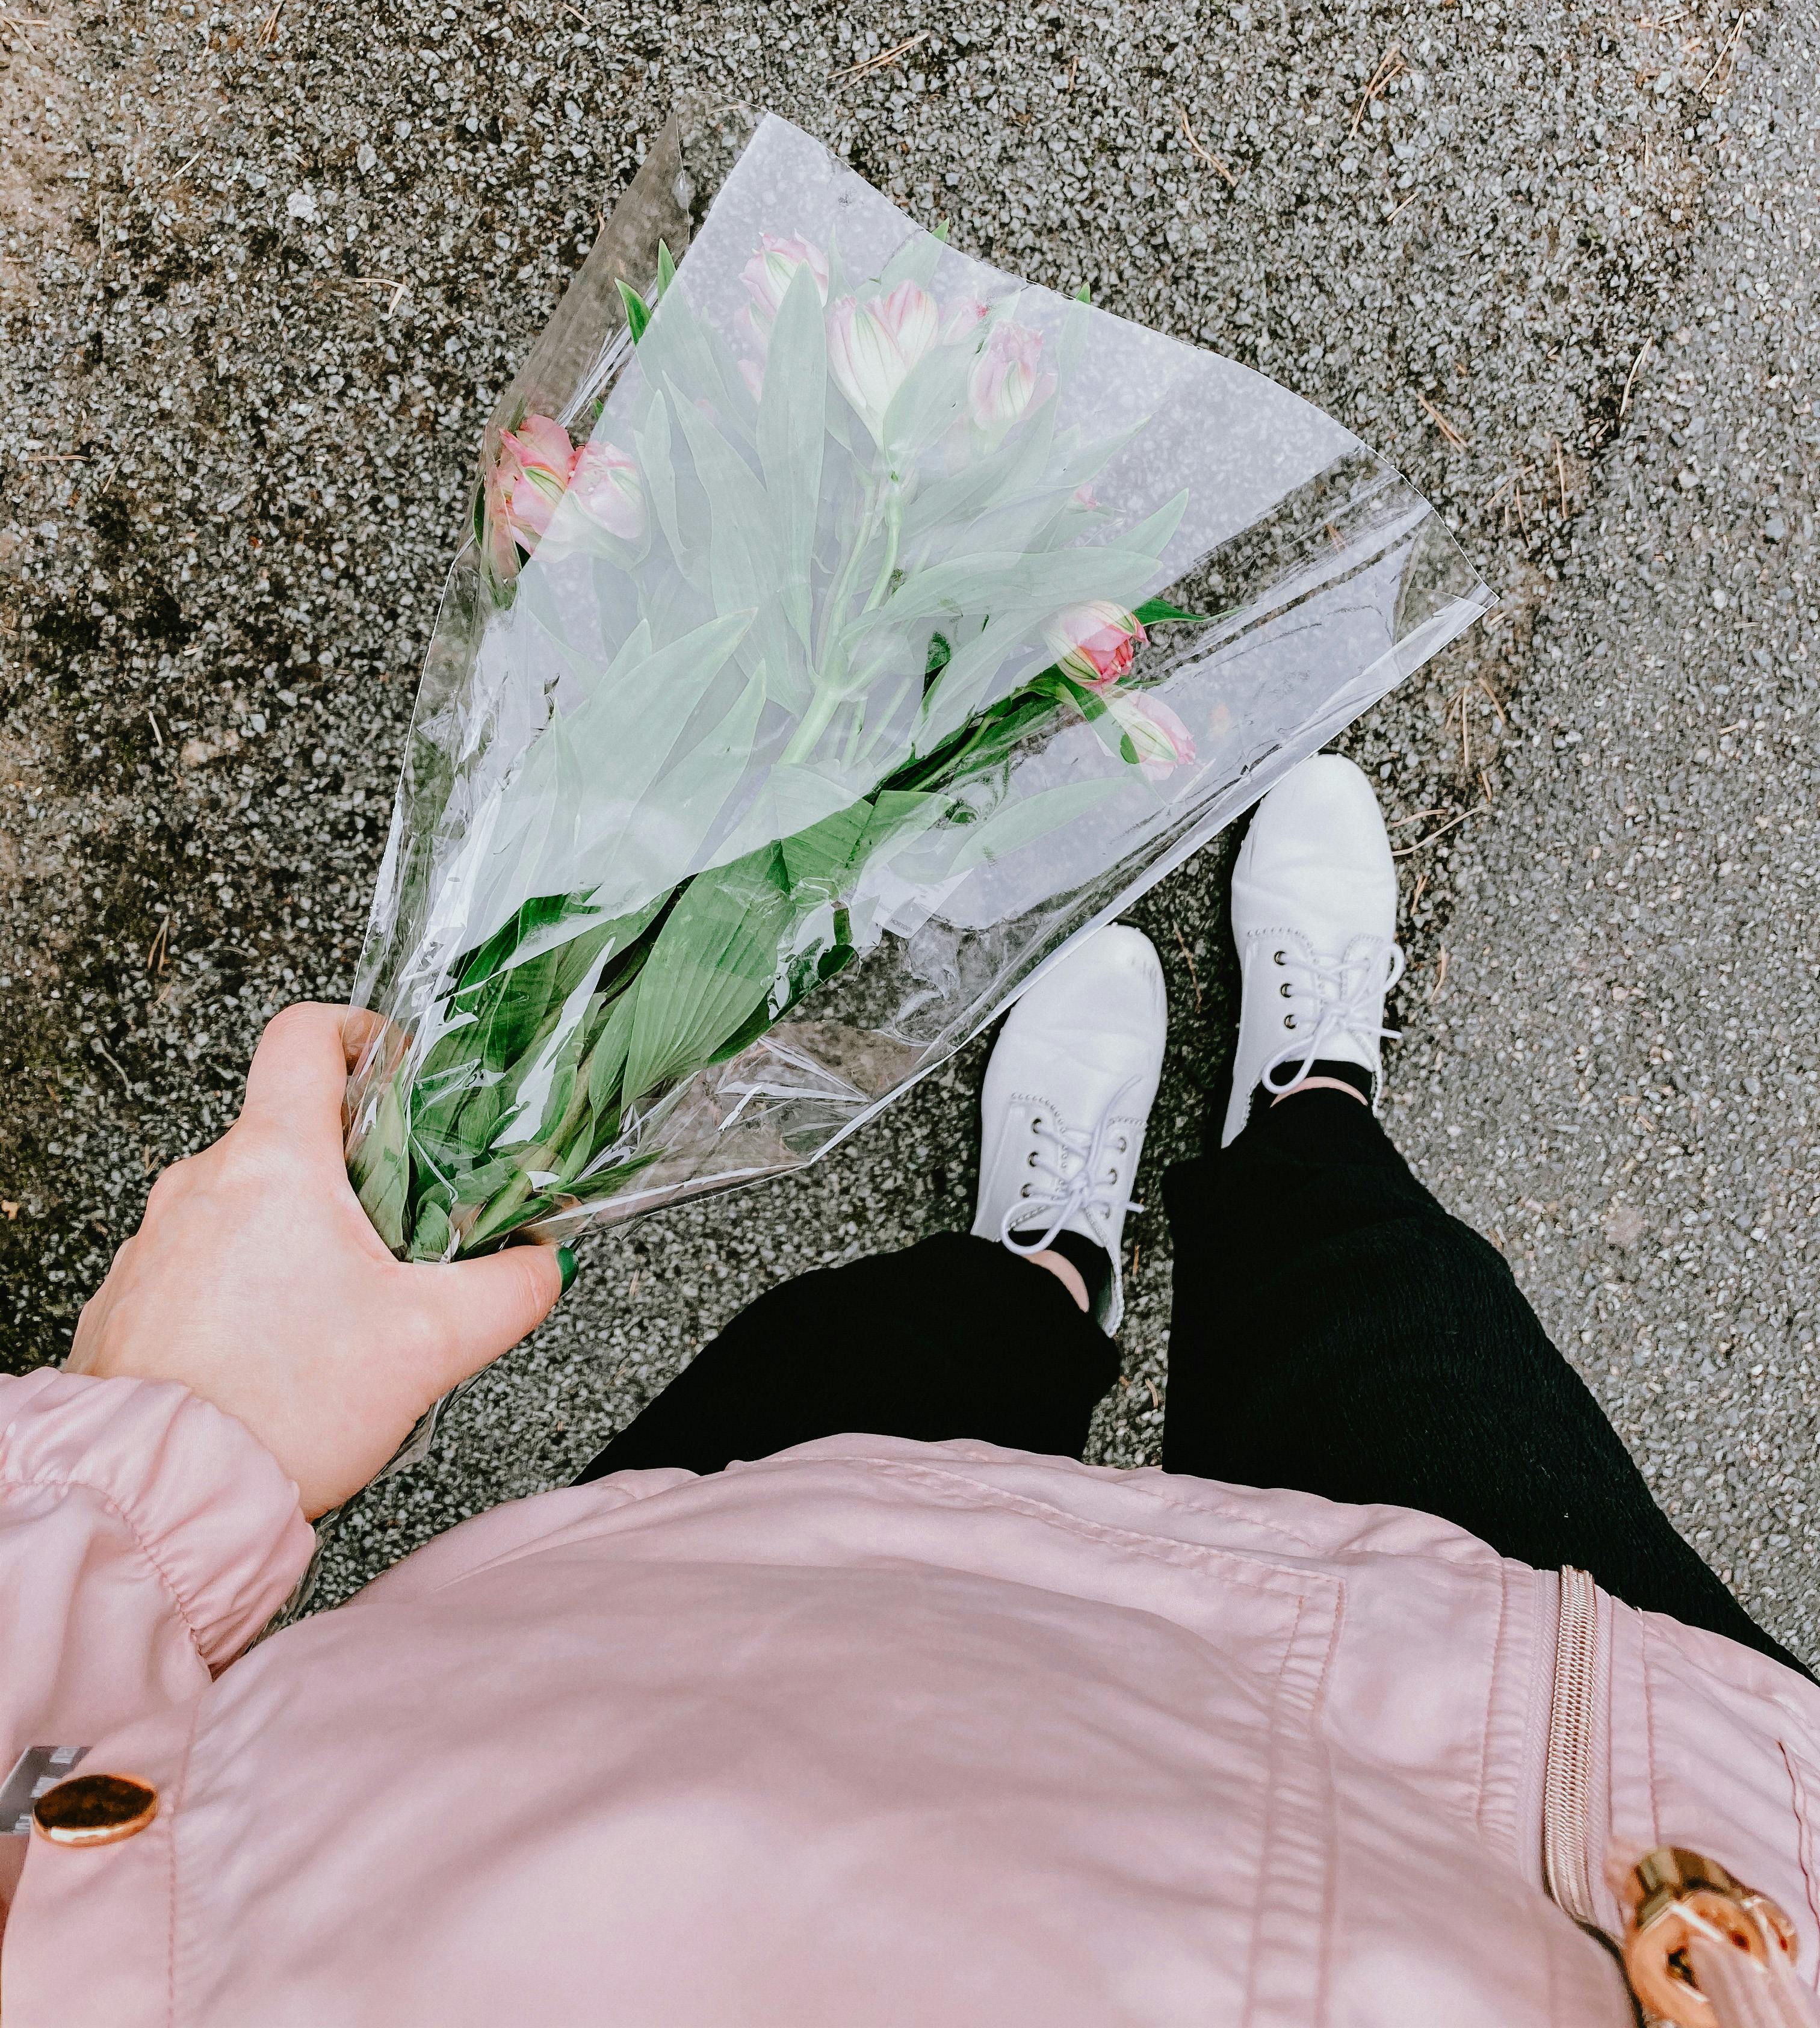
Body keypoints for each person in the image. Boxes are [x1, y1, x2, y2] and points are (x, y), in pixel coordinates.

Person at [4, 756, 1817, 2028]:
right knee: (1392, 1335)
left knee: (867, 1380)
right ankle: (1304, 1125)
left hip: (640, 1691)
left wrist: (153, 1461)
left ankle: (1036, 1271)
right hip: (1580, 1813)